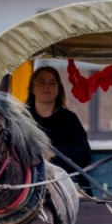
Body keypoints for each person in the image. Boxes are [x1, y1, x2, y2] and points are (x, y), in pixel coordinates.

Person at [26, 65, 93, 193]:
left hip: (69, 183)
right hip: (31, 183)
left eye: (52, 83)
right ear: (33, 89)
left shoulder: (69, 119)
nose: (47, 86)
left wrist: (55, 153)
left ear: (58, 90)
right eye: (42, 82)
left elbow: (85, 155)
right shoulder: (22, 119)